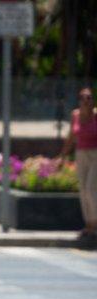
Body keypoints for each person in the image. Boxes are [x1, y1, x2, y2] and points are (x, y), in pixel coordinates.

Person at [60, 86, 97, 246]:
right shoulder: (75, 115)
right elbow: (71, 136)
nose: (86, 101)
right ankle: (88, 224)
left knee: (91, 189)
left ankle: (95, 222)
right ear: (79, 100)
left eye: (89, 98)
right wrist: (63, 155)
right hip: (80, 154)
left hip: (95, 154)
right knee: (82, 190)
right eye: (83, 98)